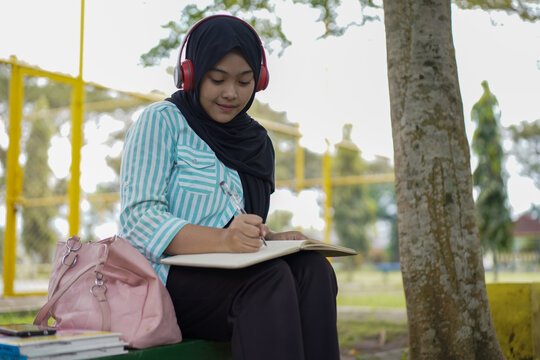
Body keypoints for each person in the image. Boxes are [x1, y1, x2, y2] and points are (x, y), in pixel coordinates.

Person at [119, 15, 339, 360]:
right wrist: (223, 240)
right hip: (165, 282)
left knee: (314, 270)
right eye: (217, 79)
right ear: (191, 75)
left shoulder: (256, 142)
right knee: (269, 280)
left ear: (259, 81)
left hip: (233, 274)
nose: (231, 93)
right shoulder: (161, 121)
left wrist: (269, 240)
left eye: (244, 80)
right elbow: (139, 221)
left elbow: (238, 227)